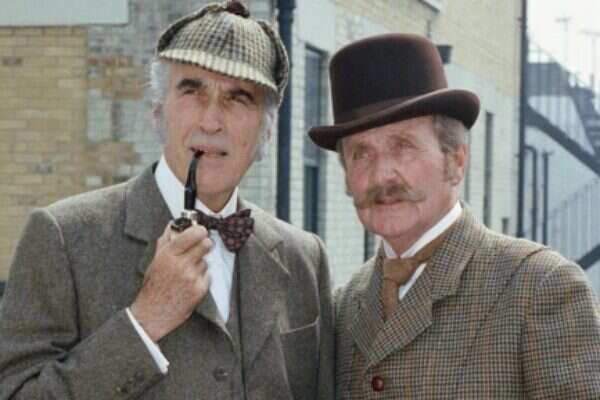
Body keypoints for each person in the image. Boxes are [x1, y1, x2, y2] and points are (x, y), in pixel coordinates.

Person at [0, 2, 334, 399]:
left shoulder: (305, 258)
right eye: (193, 91)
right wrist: (144, 322)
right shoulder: (63, 238)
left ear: (267, 129)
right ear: (158, 111)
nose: (211, 121)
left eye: (238, 97)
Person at [309, 33, 600, 399]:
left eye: (403, 146)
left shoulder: (540, 287)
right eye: (361, 154)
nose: (381, 176)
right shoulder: (344, 305)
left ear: (456, 161)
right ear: (346, 176)